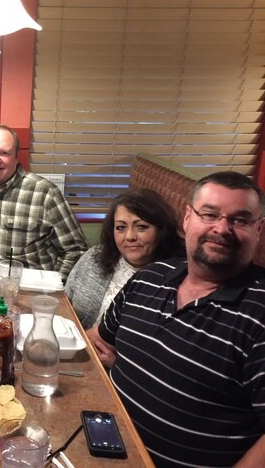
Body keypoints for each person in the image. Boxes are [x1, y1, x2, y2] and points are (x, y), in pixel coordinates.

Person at [87, 171, 265, 466]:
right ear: (187, 218)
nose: (222, 228)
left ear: (259, 230)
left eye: (240, 220)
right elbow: (96, 338)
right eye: (210, 214)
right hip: (101, 448)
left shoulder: (258, 312)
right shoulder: (148, 278)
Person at [0, 123, 88, 281]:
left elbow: (76, 251)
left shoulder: (45, 193)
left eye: (4, 153)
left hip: (28, 290)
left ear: (16, 157)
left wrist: (52, 287)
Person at [65, 188, 184, 328]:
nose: (129, 237)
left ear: (162, 231)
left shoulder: (176, 278)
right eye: (121, 227)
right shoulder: (93, 257)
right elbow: (65, 303)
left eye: (141, 227)